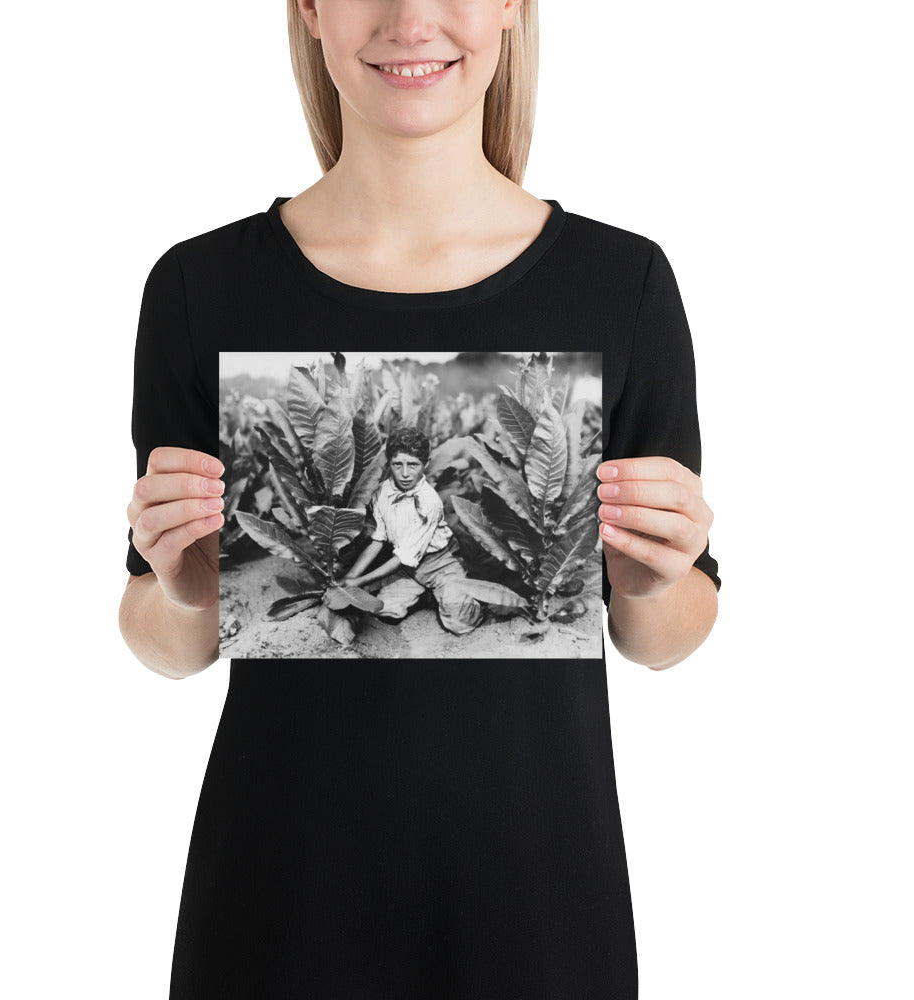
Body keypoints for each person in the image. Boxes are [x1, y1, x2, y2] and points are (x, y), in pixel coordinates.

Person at [119, 1, 722, 997]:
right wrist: (184, 583)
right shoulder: (199, 287)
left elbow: (669, 631)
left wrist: (647, 572)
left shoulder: (623, 283)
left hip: (537, 913)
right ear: (310, 9)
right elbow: (161, 639)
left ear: (512, 8)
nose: (411, 17)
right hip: (278, 914)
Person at [344, 426, 485, 635]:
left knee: (459, 622)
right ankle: (425, 597)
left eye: (413, 465)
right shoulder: (381, 492)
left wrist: (359, 582)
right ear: (389, 463)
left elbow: (403, 556)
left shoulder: (429, 501)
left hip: (441, 563)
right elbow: (378, 539)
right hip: (409, 569)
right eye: (397, 464)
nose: (405, 473)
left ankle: (469, 599)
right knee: (385, 610)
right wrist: (350, 575)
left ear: (425, 464)